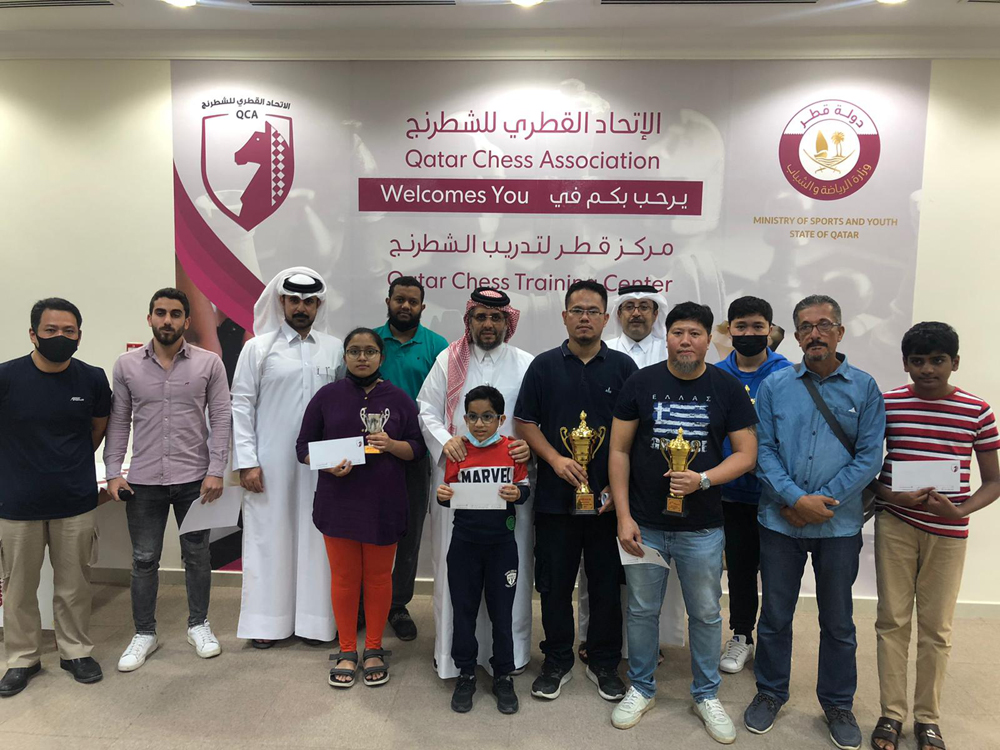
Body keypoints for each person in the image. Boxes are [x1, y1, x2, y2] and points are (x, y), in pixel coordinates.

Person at [608, 301, 758, 742]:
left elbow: (747, 455)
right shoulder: (641, 382)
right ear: (667, 337)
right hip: (645, 524)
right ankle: (642, 687)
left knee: (707, 614)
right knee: (640, 611)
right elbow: (618, 450)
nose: (686, 341)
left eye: (695, 333)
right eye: (678, 333)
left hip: (703, 528)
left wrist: (703, 480)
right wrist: (623, 516)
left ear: (709, 340)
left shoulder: (727, 387)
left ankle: (706, 694)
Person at [745, 294, 885, 750]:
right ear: (796, 335)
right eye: (806, 327)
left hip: (838, 526)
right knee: (775, 615)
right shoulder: (775, 385)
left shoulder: (864, 388)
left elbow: (870, 457)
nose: (815, 333)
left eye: (824, 324)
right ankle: (770, 692)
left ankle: (838, 704)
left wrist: (820, 502)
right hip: (780, 521)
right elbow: (762, 451)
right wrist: (795, 498)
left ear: (840, 332)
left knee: (839, 620)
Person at [869, 322, 999, 750]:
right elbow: (865, 468)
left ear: (954, 363)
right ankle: (891, 712)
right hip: (896, 524)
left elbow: (994, 480)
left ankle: (928, 717)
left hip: (949, 532)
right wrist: (892, 495)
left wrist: (959, 510)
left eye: (937, 360)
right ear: (905, 363)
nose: (927, 369)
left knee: (937, 628)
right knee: (892, 620)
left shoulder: (977, 411)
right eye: (918, 361)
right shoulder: (887, 404)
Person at [514, 279, 636, 703]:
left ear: (606, 318)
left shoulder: (623, 368)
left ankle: (604, 661)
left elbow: (635, 433)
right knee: (554, 586)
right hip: (555, 501)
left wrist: (618, 490)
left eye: (593, 311)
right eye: (577, 311)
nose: (585, 318)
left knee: (605, 586)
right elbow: (525, 422)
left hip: (606, 502)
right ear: (565, 317)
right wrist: (554, 459)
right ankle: (557, 660)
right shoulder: (543, 366)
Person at [104, 288, 231, 671]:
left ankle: (199, 625)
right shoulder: (126, 366)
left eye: (175, 314)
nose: (167, 320)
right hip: (144, 481)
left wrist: (216, 469)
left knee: (198, 556)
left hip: (195, 480)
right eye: (160, 313)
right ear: (149, 318)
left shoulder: (209, 363)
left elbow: (221, 417)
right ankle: (145, 633)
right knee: (144, 560)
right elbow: (119, 421)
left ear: (187, 321)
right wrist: (113, 472)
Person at [296, 328, 424, 688]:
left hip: (384, 503)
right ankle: (347, 649)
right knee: (344, 578)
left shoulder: (399, 399)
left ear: (382, 357)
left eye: (370, 351)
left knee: (380, 578)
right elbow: (303, 447)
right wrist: (326, 465)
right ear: (345, 357)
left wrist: (392, 445)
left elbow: (417, 450)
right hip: (339, 502)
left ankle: (374, 647)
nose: (362, 357)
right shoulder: (327, 396)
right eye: (354, 351)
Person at [417, 287, 533, 681]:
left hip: (508, 483)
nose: (488, 324)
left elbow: (536, 419)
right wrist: (443, 439)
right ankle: (456, 660)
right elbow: (426, 409)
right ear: (469, 320)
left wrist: (528, 449)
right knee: (458, 572)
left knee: (508, 572)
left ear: (507, 322)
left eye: (496, 317)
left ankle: (510, 658)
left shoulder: (525, 363)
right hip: (458, 477)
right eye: (480, 316)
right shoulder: (448, 360)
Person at [0, 298, 111, 697]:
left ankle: (75, 652)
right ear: (33, 334)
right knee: (18, 588)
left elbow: (98, 429)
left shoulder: (92, 379)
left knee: (74, 585)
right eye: (51, 330)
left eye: (68, 331)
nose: (60, 337)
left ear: (79, 335)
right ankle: (22, 658)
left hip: (74, 500)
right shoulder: (6, 377)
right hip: (16, 503)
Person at [231, 268, 345, 649]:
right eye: (294, 300)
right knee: (269, 538)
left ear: (318, 305)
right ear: (281, 301)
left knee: (318, 540)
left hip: (320, 464)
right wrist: (247, 461)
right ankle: (267, 623)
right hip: (270, 464)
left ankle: (316, 624)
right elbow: (241, 406)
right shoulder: (257, 348)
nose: (301, 307)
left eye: (309, 301)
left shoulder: (334, 348)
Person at [590, 283, 686, 662]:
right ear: (618, 314)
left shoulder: (671, 353)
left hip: (661, 474)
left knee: (652, 561)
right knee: (603, 567)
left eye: (645, 307)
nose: (636, 313)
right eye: (629, 307)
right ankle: (597, 639)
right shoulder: (604, 351)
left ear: (656, 314)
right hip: (609, 470)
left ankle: (649, 644)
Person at [436, 385, 530, 715]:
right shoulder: (458, 451)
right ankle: (465, 673)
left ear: (501, 419)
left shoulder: (512, 450)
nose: (479, 424)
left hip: (502, 545)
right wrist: (443, 496)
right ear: (465, 419)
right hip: (464, 544)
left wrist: (517, 494)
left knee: (502, 613)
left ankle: (503, 674)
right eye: (473, 417)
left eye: (487, 417)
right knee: (464, 611)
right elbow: (448, 494)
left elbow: (524, 489)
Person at [714, 296, 792, 674]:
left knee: (777, 574)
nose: (749, 333)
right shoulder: (715, 374)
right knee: (741, 569)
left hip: (774, 495)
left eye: (757, 326)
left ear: (770, 330)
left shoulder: (788, 374)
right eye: (741, 326)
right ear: (729, 330)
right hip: (730, 494)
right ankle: (742, 635)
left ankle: (774, 643)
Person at [373, 275, 448, 641]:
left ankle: (397, 604)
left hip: (417, 455)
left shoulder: (438, 346)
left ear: (422, 307)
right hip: (370, 454)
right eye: (399, 299)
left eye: (412, 301)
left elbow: (446, 402)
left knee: (409, 532)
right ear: (388, 301)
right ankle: (364, 603)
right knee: (369, 529)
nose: (405, 306)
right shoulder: (370, 342)